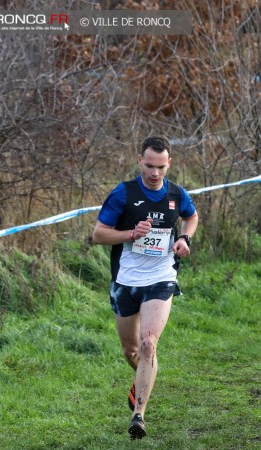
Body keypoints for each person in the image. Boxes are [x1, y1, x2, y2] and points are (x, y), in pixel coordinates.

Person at [92, 135, 199, 439]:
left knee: (149, 342)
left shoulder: (177, 194)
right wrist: (130, 234)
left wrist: (184, 238)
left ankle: (139, 415)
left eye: (161, 167)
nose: (155, 173)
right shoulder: (123, 194)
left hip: (162, 276)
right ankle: (142, 377)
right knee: (132, 350)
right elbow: (99, 234)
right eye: (149, 166)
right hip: (126, 281)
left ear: (169, 164)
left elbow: (190, 217)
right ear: (139, 160)